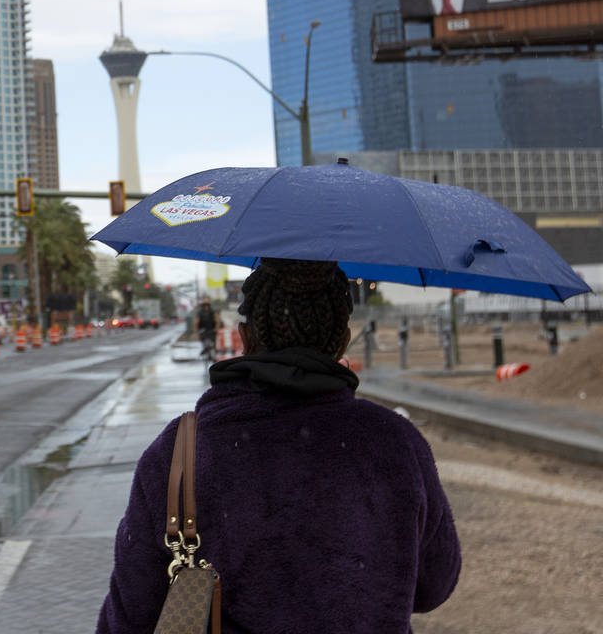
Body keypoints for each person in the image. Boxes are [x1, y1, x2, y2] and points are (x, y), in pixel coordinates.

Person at [97, 258, 460, 633]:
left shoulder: (181, 451)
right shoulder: (395, 442)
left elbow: (131, 614)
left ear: (245, 336)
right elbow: (434, 586)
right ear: (343, 340)